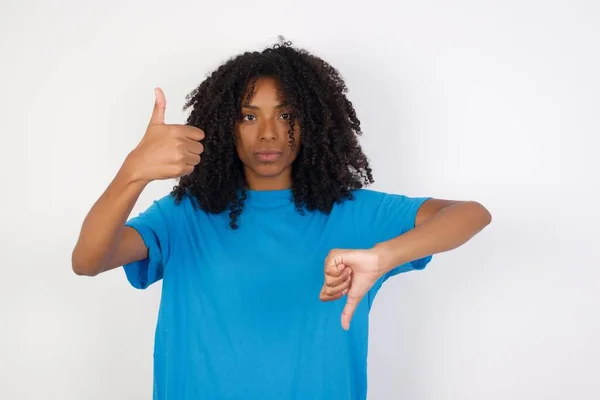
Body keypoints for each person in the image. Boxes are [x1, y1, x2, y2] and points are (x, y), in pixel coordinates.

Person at [72, 38, 491, 400]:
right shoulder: (185, 216)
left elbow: (471, 213)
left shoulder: (357, 213)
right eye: (249, 116)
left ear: (314, 123)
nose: (269, 133)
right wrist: (134, 172)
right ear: (225, 126)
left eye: (287, 115)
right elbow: (88, 261)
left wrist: (384, 255)